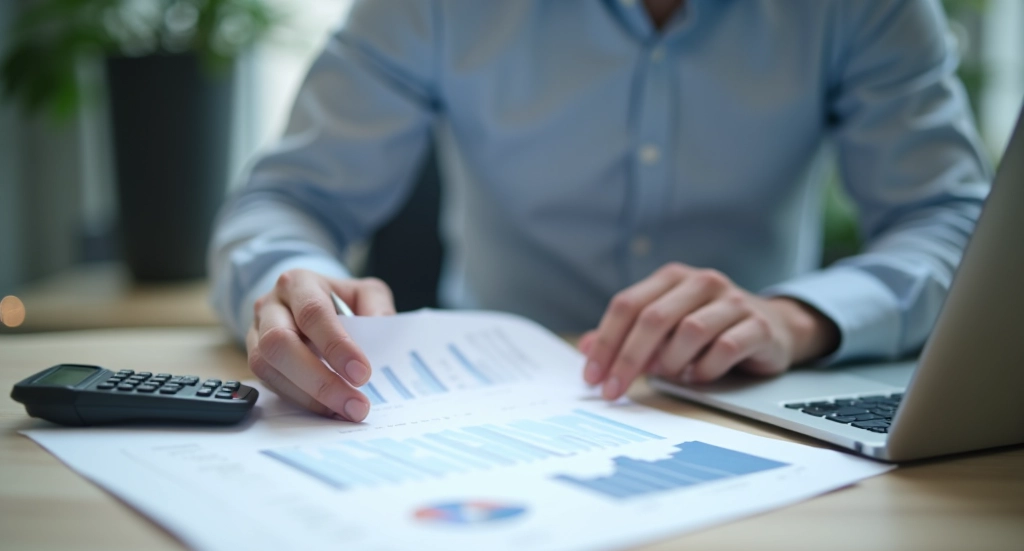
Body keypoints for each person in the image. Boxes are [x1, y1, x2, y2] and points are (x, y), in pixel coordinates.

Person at [209, 0, 991, 423]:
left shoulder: (872, 9)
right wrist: (291, 279)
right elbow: (288, 200)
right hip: (475, 413)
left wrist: (798, 319)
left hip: (740, 404)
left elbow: (955, 223)